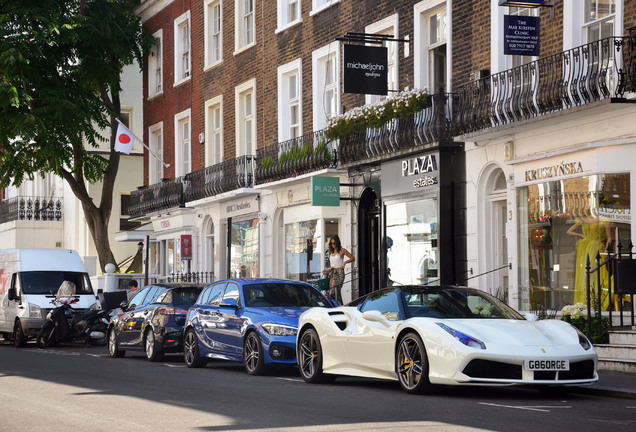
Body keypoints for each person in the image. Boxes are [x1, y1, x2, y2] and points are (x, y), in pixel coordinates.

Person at [324, 235, 355, 304]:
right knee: (335, 293)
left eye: (334, 243)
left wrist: (344, 262)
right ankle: (340, 306)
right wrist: (329, 269)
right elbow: (332, 264)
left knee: (333, 292)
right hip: (333, 273)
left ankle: (338, 305)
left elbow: (352, 258)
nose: (333, 245)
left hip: (339, 273)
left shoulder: (342, 250)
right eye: (331, 243)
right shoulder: (330, 251)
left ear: (337, 243)